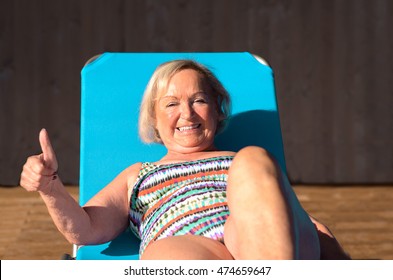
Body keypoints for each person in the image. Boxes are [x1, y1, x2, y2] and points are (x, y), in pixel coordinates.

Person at [20, 59, 349, 260]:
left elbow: (299, 224)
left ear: (218, 110)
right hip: (192, 252)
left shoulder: (244, 162)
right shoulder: (139, 175)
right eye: (171, 104)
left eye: (199, 100)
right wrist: (50, 188)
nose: (187, 114)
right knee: (165, 254)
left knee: (252, 159)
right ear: (154, 119)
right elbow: (85, 230)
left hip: (265, 245)